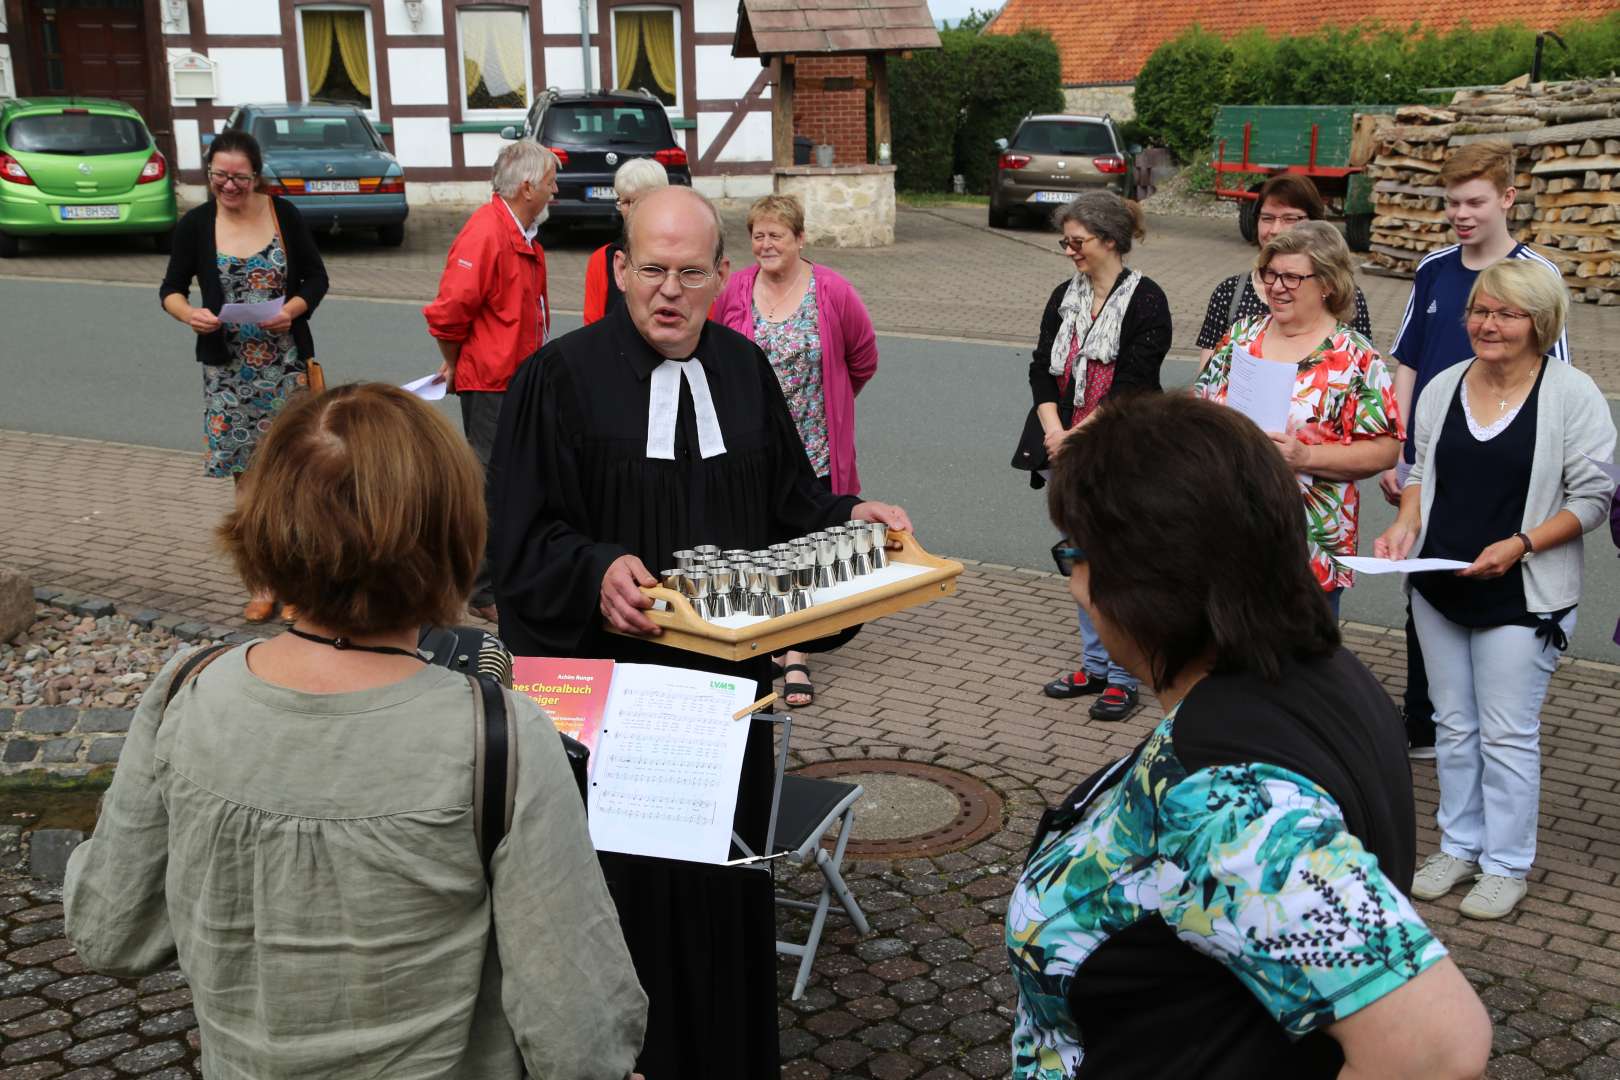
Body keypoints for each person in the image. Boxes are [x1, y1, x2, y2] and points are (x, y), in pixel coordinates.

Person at [64, 383, 648, 1080]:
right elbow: (580, 1036)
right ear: (451, 528)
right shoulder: (499, 736)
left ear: (266, 518)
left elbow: (110, 930)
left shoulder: (190, 689)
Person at [486, 185, 912, 1080]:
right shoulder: (555, 380)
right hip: (612, 722)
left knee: (724, 898)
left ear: (724, 275)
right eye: (651, 270)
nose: (670, 292)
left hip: (726, 713)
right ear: (618, 269)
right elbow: (518, 543)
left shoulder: (744, 371)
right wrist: (594, 567)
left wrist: (848, 518)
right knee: (619, 913)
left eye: (690, 273)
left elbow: (789, 509)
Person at [1008, 391, 1492, 1080]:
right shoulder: (1313, 665)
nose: (1073, 585)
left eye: (1073, 555)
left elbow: (1436, 1050)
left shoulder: (1228, 800)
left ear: (1141, 581)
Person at [1375, 260, 1615, 921]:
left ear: (1539, 323)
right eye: (1480, 310)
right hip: (1439, 584)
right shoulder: (1445, 384)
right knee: (1454, 726)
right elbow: (1421, 468)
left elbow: (1593, 498)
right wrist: (1403, 525)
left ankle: (1505, 864)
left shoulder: (1572, 393)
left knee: (1507, 733)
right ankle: (1458, 844)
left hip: (1524, 591)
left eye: (1507, 313)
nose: (1488, 324)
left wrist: (1522, 544)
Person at [1379, 141, 1572, 761]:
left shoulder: (1537, 274)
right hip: (1427, 458)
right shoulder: (1434, 268)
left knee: (1488, 577)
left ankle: (1492, 712)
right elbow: (1407, 359)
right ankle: (1423, 718)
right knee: (1423, 578)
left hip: (1498, 464)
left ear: (1507, 199)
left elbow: (1555, 384)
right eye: (1452, 203)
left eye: (1474, 202)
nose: (1461, 214)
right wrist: (1399, 451)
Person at [711, 193, 880, 706]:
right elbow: (718, 353)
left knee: (804, 547)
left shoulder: (832, 290)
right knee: (760, 543)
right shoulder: (736, 288)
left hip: (815, 444)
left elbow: (862, 358)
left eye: (776, 235)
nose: (766, 245)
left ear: (799, 239)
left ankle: (798, 655)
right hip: (753, 446)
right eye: (758, 235)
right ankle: (767, 640)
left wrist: (828, 403)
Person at [159, 128, 328, 624]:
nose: (229, 187)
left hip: (285, 367)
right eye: (219, 176)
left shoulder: (284, 215)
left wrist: (293, 310)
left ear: (256, 176)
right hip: (229, 374)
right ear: (208, 174)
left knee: (295, 475)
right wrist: (188, 314)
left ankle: (297, 585)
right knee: (248, 482)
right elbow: (170, 288)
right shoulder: (195, 225)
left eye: (239, 177)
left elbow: (316, 278)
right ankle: (261, 584)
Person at [1194, 221, 1401, 617]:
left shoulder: (1354, 356)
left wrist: (1305, 457)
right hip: (1228, 530)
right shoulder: (1241, 336)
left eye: (1291, 276)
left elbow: (1386, 450)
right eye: (1270, 274)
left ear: (1327, 283)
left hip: (1308, 544)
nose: (1276, 286)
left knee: (1299, 668)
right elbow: (1200, 404)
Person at [1031, 191, 1171, 721]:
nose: (1070, 251)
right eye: (1065, 242)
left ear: (1110, 239)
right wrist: (1054, 428)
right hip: (1064, 444)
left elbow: (1134, 384)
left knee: (1119, 562)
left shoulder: (1147, 299)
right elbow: (1040, 368)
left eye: (1078, 242)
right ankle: (1094, 664)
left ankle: (1122, 674)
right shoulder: (1063, 296)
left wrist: (1076, 435)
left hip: (1120, 445)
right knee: (1078, 554)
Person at [424, 139, 558, 623]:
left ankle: (506, 576)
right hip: (493, 384)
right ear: (526, 186)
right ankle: (483, 590)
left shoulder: (517, 231)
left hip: (515, 380)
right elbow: (446, 315)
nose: (554, 191)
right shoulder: (487, 232)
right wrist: (454, 363)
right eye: (549, 183)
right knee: (490, 486)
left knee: (513, 482)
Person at [1195, 173, 1374, 369]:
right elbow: (1205, 381)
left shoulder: (1346, 295)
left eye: (1290, 218)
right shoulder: (1230, 292)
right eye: (1267, 218)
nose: (1276, 230)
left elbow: (1363, 368)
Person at [583, 157, 669, 324]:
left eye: (638, 201)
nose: (630, 210)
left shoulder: (683, 254)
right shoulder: (602, 259)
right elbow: (592, 327)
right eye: (625, 202)